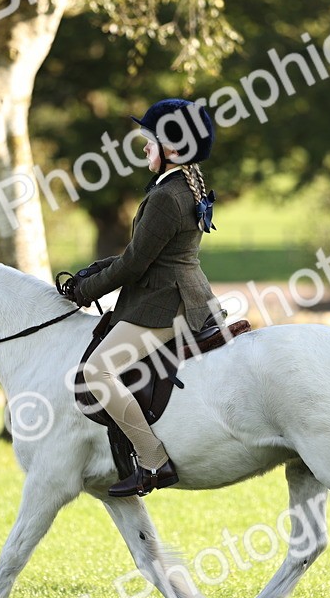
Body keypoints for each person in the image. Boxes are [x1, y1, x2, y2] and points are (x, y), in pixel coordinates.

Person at [60, 98, 224, 498]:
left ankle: (153, 460)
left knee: (97, 372)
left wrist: (86, 291)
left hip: (166, 303)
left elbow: (134, 265)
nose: (145, 147)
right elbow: (145, 254)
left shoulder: (167, 196)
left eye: (151, 140)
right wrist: (95, 271)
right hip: (181, 292)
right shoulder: (184, 183)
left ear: (173, 148)